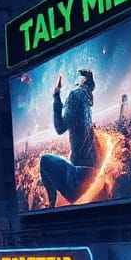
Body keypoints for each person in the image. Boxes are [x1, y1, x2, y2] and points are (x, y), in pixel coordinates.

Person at [39, 69, 99, 207]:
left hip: (78, 180)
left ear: (82, 82)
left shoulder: (75, 95)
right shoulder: (88, 98)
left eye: (79, 78)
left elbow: (60, 128)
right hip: (92, 174)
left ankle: (51, 205)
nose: (76, 81)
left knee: (44, 160)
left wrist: (56, 93)